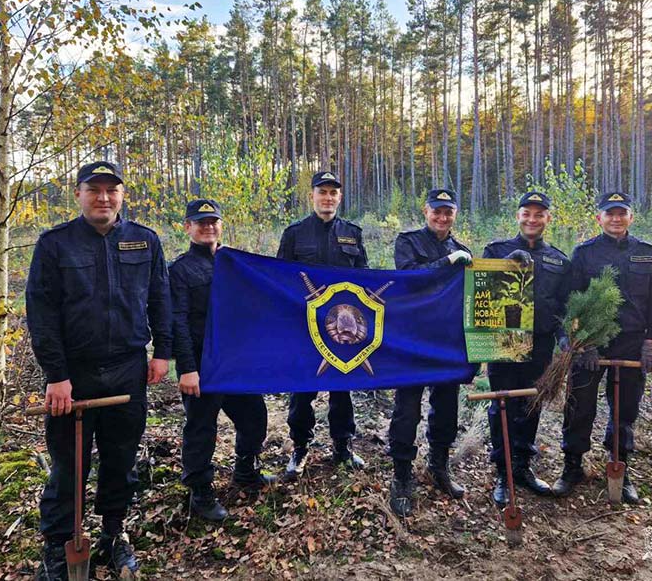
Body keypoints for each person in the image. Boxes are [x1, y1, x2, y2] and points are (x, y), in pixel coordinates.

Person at [26, 161, 171, 580]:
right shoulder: (55, 244)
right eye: (95, 190)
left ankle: (113, 532)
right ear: (79, 194)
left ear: (122, 195)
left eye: (112, 190)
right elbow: (42, 313)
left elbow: (161, 299)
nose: (104, 198)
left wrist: (162, 351)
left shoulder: (144, 241)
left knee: (121, 458)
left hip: (128, 369)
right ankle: (59, 546)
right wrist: (56, 375)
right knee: (69, 465)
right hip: (73, 375)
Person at [552, 191, 652, 504]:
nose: (616, 219)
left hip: (632, 342)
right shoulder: (584, 254)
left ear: (631, 217)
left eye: (621, 213)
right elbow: (569, 302)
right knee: (580, 406)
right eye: (609, 213)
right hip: (591, 343)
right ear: (599, 218)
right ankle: (572, 466)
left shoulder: (647, 253)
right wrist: (581, 342)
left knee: (625, 409)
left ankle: (620, 467)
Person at [170, 198, 276, 522]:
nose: (208, 227)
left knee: (254, 416)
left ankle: (245, 470)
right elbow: (177, 322)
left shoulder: (233, 263)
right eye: (200, 222)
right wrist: (187, 368)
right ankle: (199, 492)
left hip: (235, 364)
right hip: (202, 366)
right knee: (201, 428)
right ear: (187, 227)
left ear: (221, 225)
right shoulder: (180, 270)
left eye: (213, 221)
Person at [277, 171, 369, 481]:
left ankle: (342, 447)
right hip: (306, 327)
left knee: (342, 390)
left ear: (340, 197)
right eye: (322, 192)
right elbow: (280, 279)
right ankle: (300, 447)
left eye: (333, 192)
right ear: (312, 196)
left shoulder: (352, 233)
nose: (328, 197)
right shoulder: (295, 234)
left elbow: (365, 279)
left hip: (343, 326)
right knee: (303, 390)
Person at [482, 191, 572, 506]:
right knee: (503, 406)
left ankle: (522, 467)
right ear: (518, 216)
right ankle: (503, 473)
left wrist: (564, 336)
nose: (532, 219)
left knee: (531, 404)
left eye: (539, 214)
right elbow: (481, 293)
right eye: (527, 213)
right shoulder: (496, 250)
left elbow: (563, 305)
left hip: (541, 345)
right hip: (504, 341)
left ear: (548, 218)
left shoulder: (560, 260)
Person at [387, 188, 473, 517]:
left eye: (448, 212)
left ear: (455, 214)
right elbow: (410, 278)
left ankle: (439, 466)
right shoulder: (407, 242)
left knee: (447, 409)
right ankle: (402, 476)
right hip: (411, 339)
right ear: (426, 211)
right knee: (407, 409)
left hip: (447, 342)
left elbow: (474, 296)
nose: (441, 217)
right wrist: (447, 262)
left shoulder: (463, 249)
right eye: (436, 211)